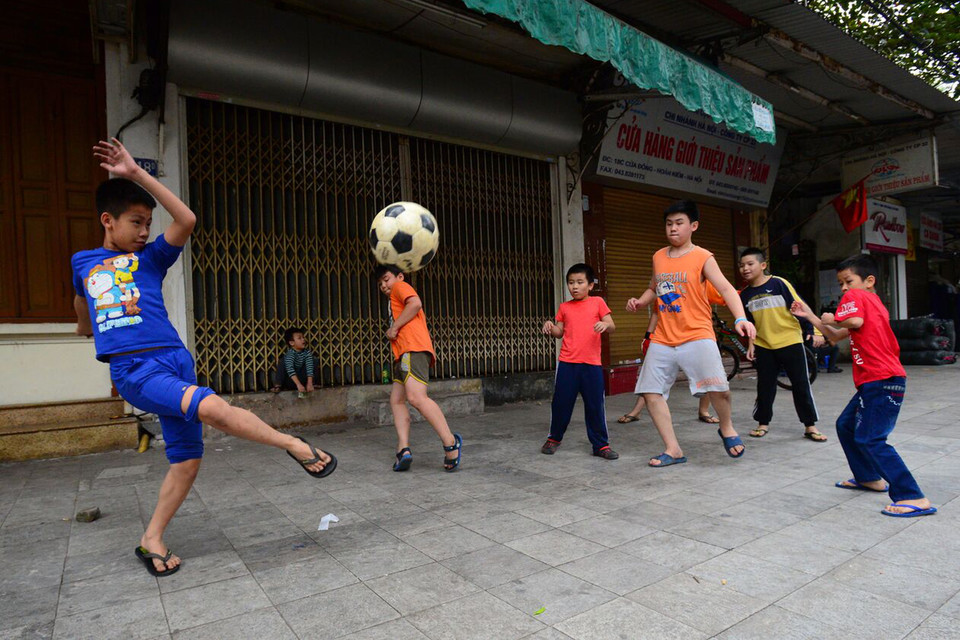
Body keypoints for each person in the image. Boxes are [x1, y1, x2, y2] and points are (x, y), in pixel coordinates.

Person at [73, 139, 335, 577]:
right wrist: (87, 330)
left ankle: (150, 539)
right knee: (212, 406)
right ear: (107, 221)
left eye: (147, 223)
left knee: (187, 460)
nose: (143, 231)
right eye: (135, 222)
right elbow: (82, 305)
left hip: (176, 360)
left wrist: (136, 173)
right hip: (135, 368)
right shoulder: (84, 262)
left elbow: (187, 218)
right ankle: (296, 446)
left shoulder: (151, 259)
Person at [791, 254, 936, 518]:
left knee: (871, 439)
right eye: (841, 283)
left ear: (869, 281)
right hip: (878, 382)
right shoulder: (874, 303)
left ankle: (912, 495)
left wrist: (831, 316)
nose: (844, 288)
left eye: (848, 281)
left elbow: (850, 322)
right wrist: (812, 316)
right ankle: (868, 477)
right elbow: (836, 336)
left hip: (882, 381)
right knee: (845, 425)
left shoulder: (857, 299)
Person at [626, 200, 756, 467]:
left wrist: (741, 317)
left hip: (697, 333)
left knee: (720, 389)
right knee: (651, 393)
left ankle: (727, 427)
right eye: (669, 223)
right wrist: (640, 301)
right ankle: (673, 449)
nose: (673, 229)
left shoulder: (703, 257)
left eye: (679, 223)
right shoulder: (658, 256)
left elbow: (728, 289)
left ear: (693, 226)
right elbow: (654, 287)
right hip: (663, 336)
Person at [375, 264, 462, 472]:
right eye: (380, 284)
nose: (384, 286)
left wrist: (394, 327)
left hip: (413, 349)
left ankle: (451, 443)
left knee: (416, 398)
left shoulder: (400, 287)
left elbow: (415, 303)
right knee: (396, 400)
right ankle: (403, 448)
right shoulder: (393, 297)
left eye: (386, 279)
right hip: (403, 355)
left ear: (399, 276)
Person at [738, 247, 826, 441]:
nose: (745, 268)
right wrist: (751, 344)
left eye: (750, 264)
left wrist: (814, 330)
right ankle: (763, 423)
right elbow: (750, 323)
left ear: (763, 265)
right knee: (765, 387)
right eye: (742, 265)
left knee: (801, 384)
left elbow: (799, 306)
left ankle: (810, 426)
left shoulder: (779, 283)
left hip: (790, 341)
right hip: (764, 345)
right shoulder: (744, 296)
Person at [541, 263, 619, 459]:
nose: (574, 287)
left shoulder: (598, 302)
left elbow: (612, 325)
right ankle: (554, 438)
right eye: (570, 282)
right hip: (567, 363)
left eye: (579, 282)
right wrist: (550, 327)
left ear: (590, 285)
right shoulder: (564, 307)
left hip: (591, 365)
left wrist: (604, 324)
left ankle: (600, 445)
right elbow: (559, 333)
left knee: (595, 405)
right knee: (561, 403)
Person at [617, 313, 718, 425]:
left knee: (706, 373)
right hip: (668, 338)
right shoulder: (665, 295)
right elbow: (656, 311)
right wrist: (647, 335)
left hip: (695, 336)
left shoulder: (697, 296)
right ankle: (636, 412)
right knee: (653, 379)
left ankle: (704, 411)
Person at [271, 327, 319, 395]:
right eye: (299, 338)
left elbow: (309, 368)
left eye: (303, 337)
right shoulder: (290, 354)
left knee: (314, 359)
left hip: (303, 380)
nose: (303, 340)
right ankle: (278, 385)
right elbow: (290, 370)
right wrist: (298, 385)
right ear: (291, 343)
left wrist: (309, 383)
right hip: (292, 381)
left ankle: (313, 384)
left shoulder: (307, 352)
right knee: (283, 361)